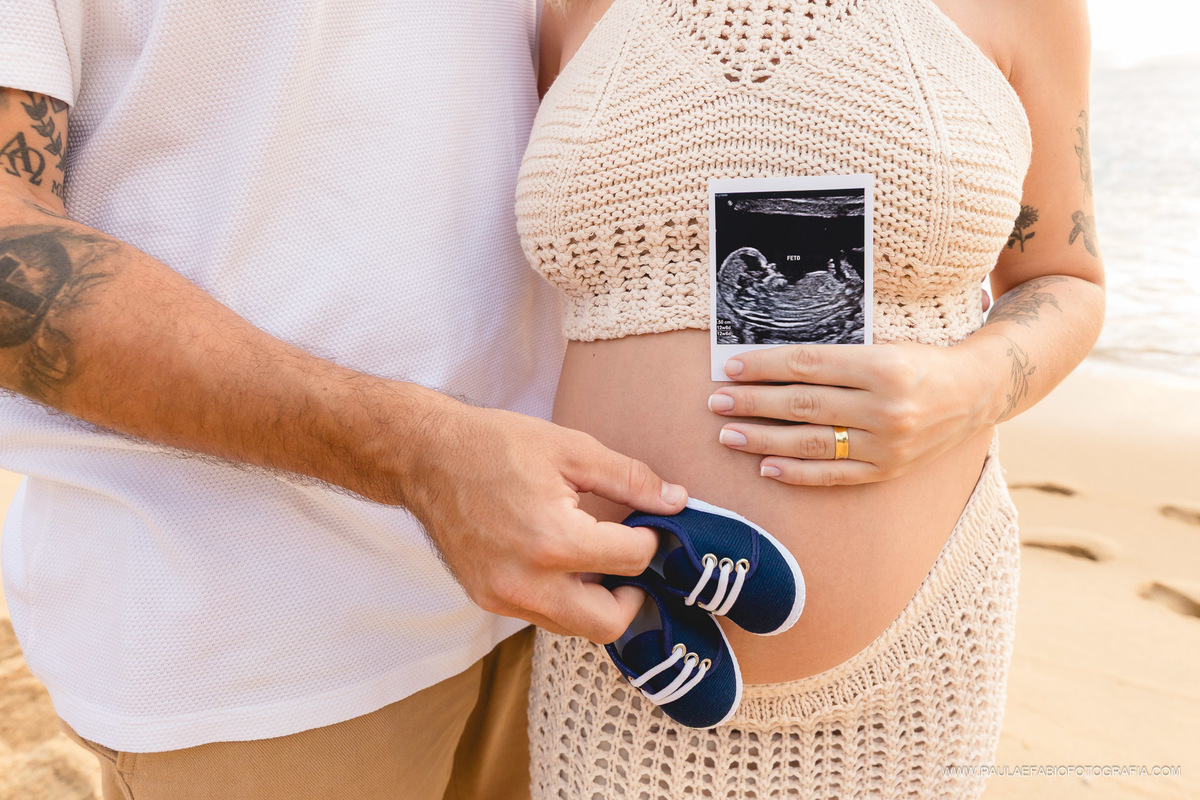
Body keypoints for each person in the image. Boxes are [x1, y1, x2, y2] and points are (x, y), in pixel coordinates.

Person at [520, 0, 1105, 797]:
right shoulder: (574, 10)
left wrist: (967, 387)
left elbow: (1064, 281)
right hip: (617, 660)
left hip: (909, 675)